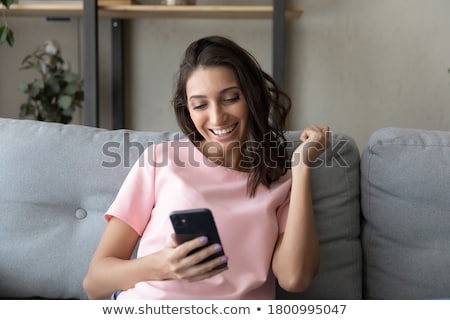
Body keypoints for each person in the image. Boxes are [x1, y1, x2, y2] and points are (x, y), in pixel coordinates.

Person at [83, 35, 329, 300]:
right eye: (200, 104)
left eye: (230, 98)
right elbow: (95, 283)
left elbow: (295, 278)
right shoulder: (161, 160)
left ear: (252, 95)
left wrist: (301, 168)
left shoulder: (281, 182)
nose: (216, 117)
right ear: (188, 109)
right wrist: (163, 265)